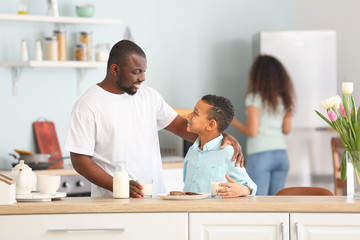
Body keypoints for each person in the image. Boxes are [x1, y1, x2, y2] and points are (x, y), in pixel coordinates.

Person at [64, 40, 244, 198]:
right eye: (136, 72)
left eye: (144, 71)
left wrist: (219, 136)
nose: (142, 78)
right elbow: (80, 162)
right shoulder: (87, 106)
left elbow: (183, 127)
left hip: (155, 197)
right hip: (112, 200)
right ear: (115, 69)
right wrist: (120, 186)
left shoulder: (150, 97)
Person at [231, 54, 295, 195]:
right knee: (278, 204)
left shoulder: (254, 98)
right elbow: (286, 129)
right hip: (281, 155)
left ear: (257, 75)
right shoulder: (284, 99)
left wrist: (233, 121)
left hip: (261, 155)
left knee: (258, 203)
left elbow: (253, 132)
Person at [183, 94, 257, 197]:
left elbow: (250, 186)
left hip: (213, 211)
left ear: (211, 125)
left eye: (195, 113)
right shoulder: (192, 151)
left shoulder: (228, 152)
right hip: (190, 211)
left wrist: (242, 190)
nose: (189, 115)